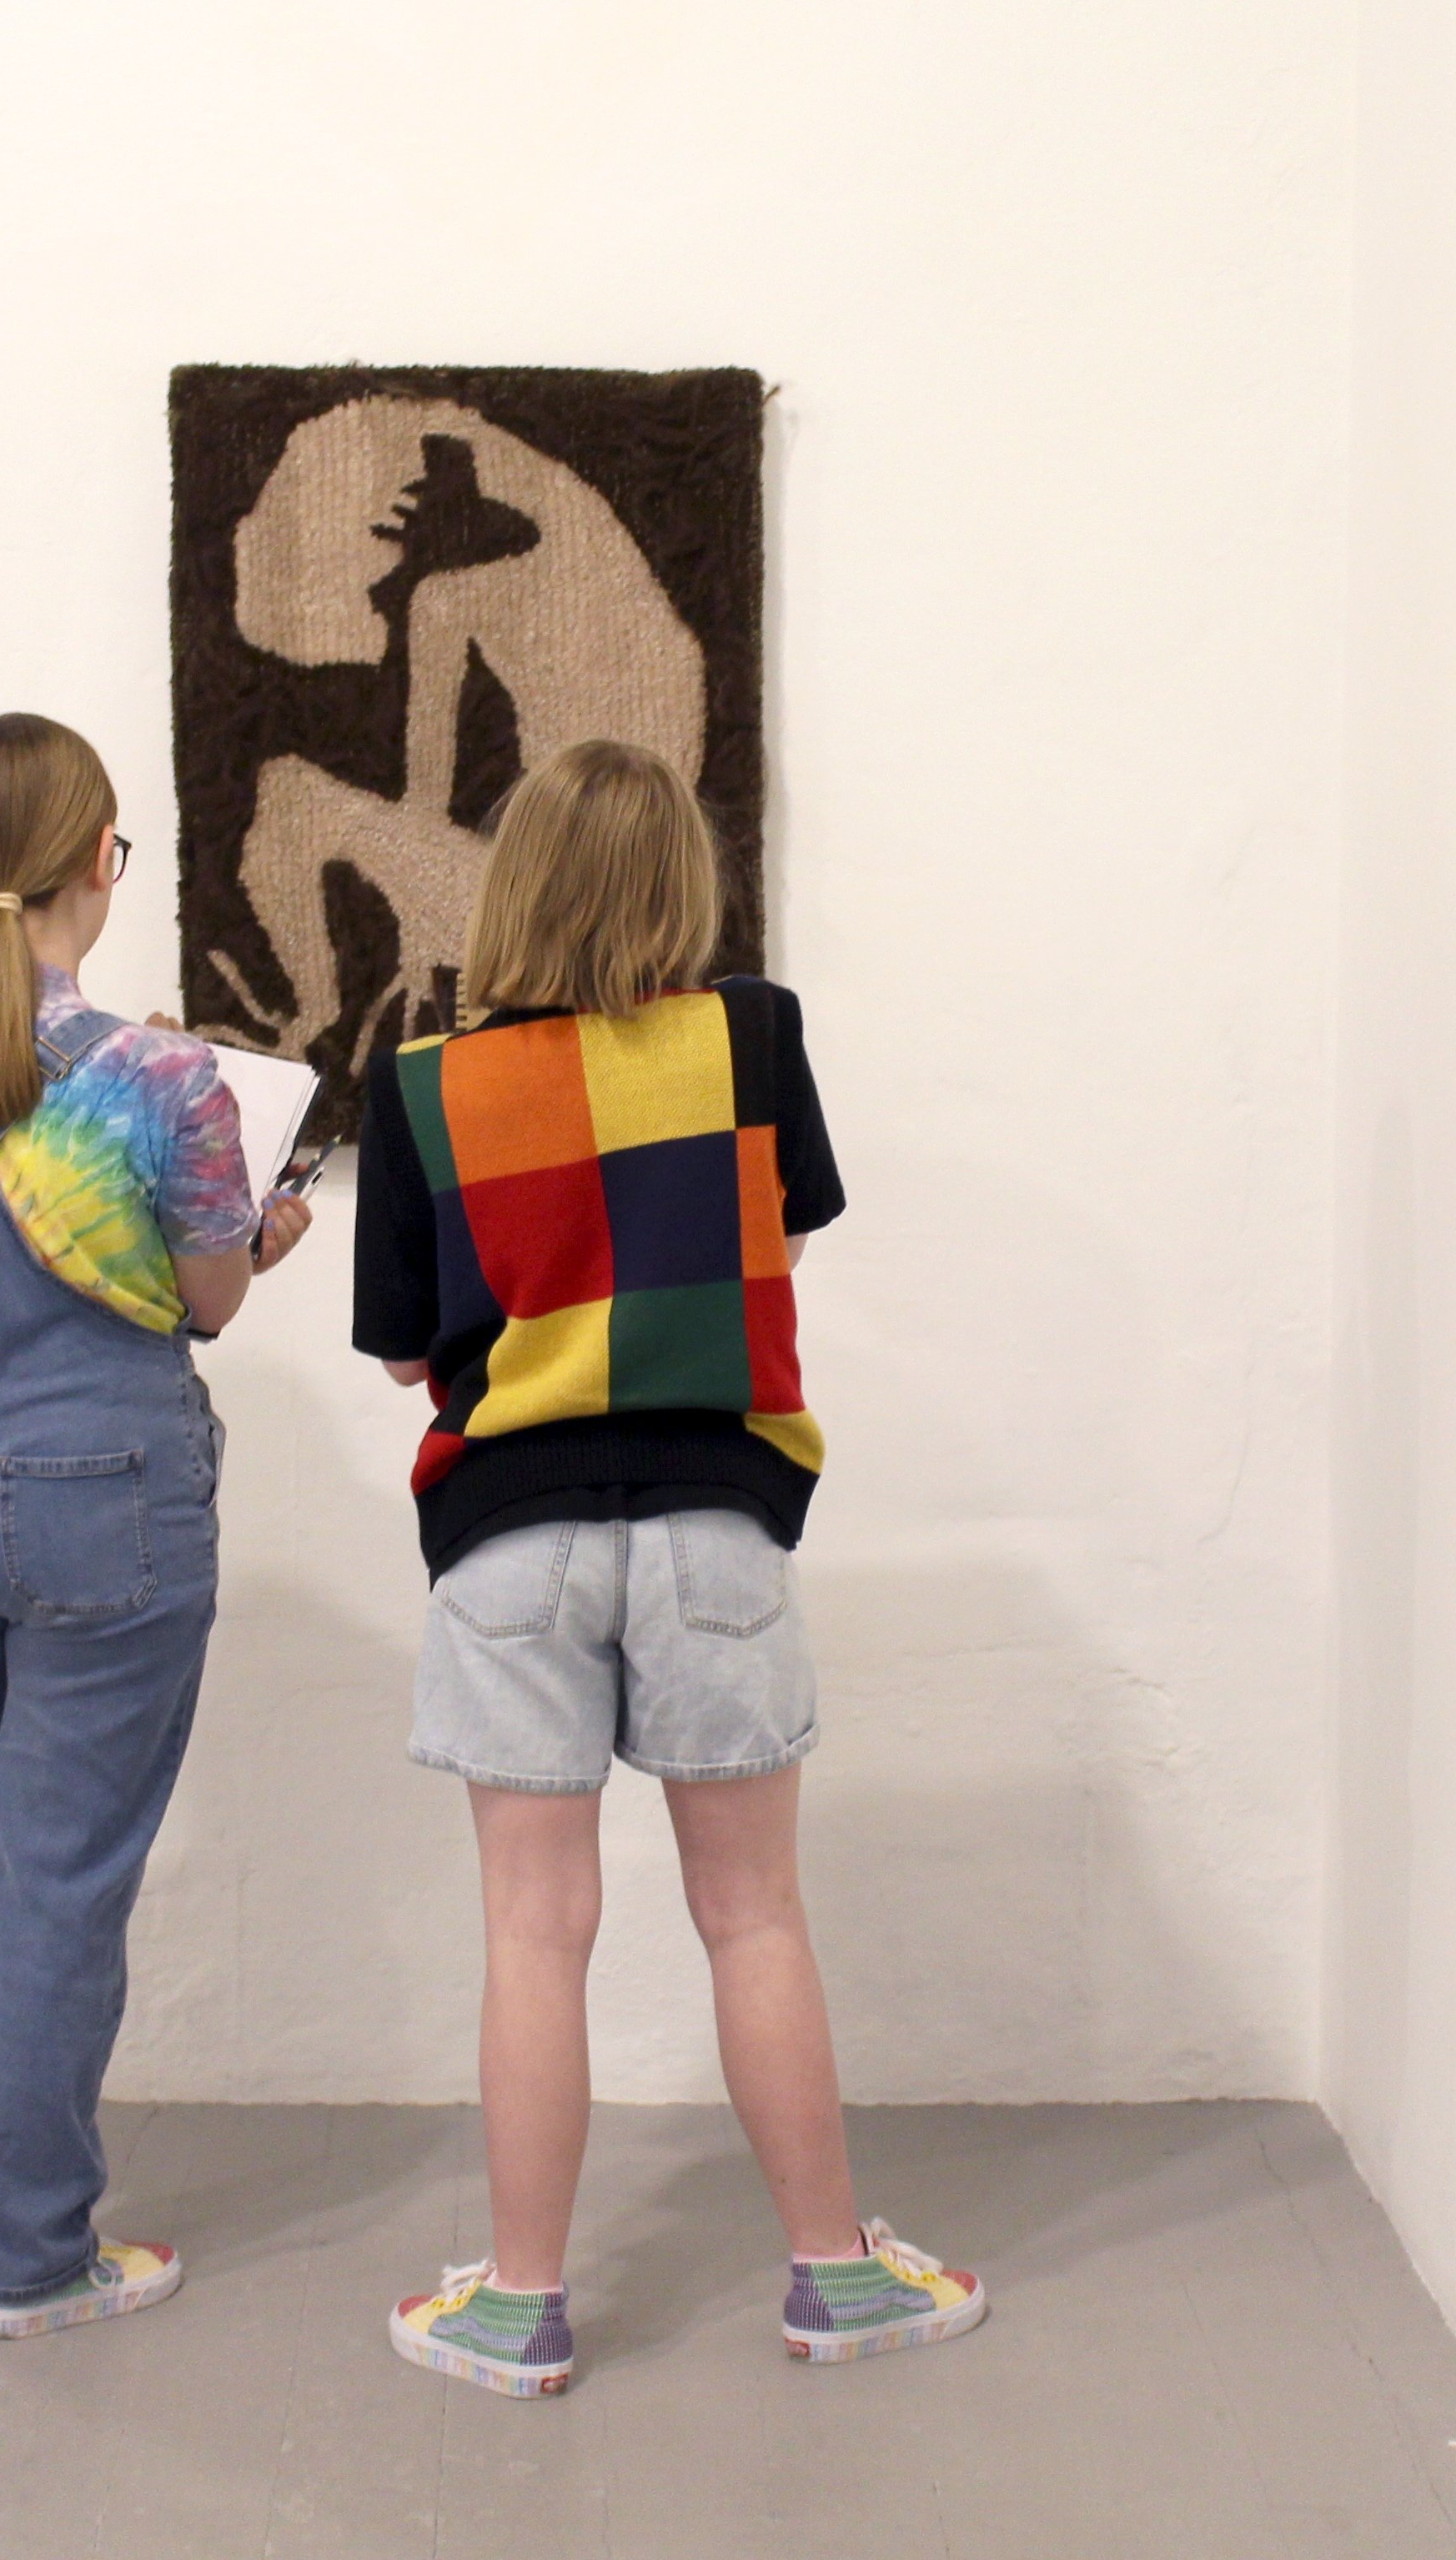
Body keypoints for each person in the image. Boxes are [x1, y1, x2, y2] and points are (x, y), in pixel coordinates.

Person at [349, 739, 986, 2397]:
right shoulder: (751, 1037)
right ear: (679, 887)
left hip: (510, 1540)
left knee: (531, 1934)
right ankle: (835, 2278)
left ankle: (519, 2308)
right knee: (754, 1915)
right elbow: (788, 1229)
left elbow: (409, 1350)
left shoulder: (419, 1086)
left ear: (515, 889)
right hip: (713, 1522)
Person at [0, 712, 312, 2337]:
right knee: (60, 1878)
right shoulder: (165, 1079)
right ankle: (35, 2253)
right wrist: (262, 1225)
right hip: (98, 1492)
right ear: (101, 861)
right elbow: (207, 1296)